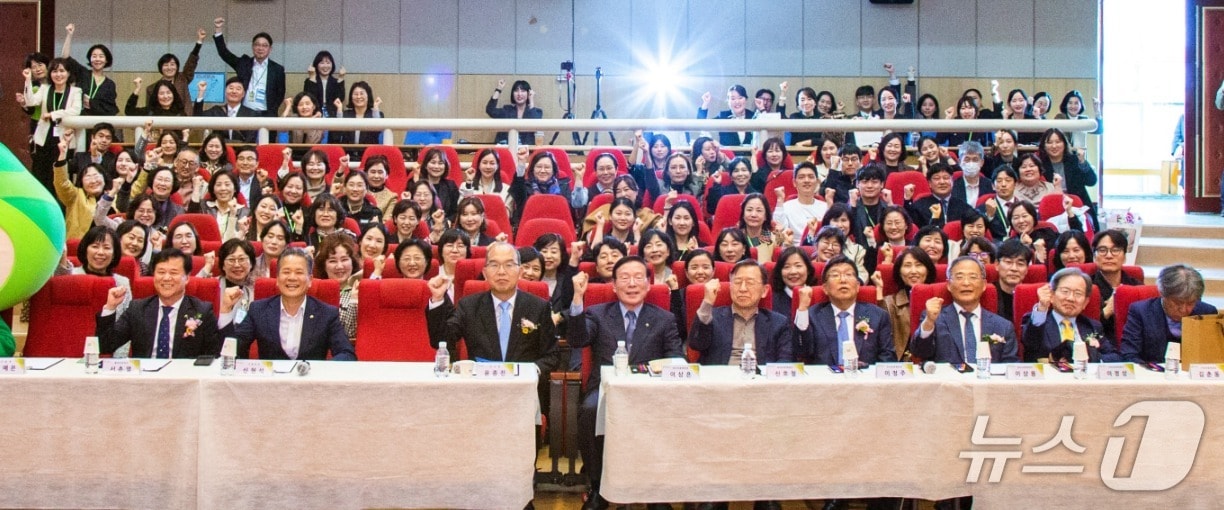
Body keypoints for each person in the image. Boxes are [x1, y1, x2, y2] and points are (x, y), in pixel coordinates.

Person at [568, 256, 684, 509]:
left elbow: (676, 358)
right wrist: (578, 299)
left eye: (638, 277)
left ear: (648, 283)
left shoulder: (664, 318)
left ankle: (656, 491)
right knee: (588, 410)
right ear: (613, 285)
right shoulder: (597, 314)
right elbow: (578, 339)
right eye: (624, 278)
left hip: (650, 393)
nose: (631, 284)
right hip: (605, 391)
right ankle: (597, 486)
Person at [426, 241, 560, 384]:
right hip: (481, 388)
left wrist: (533, 372)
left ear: (520, 272)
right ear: (485, 273)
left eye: (509, 265)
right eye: (494, 265)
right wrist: (438, 298)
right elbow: (441, 341)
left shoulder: (539, 307)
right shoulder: (469, 305)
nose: (501, 272)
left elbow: (552, 355)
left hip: (525, 389)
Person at [219, 247, 356, 361]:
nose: (292, 278)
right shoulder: (259, 310)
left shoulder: (327, 313)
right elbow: (232, 349)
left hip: (310, 387)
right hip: (269, 387)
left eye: (299, 272)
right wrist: (225, 310)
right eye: (286, 272)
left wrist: (319, 370)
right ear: (277, 279)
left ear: (310, 280)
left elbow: (347, 354)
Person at [95, 250, 221, 358]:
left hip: (184, 381)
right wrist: (110, 308)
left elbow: (212, 356)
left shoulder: (202, 311)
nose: (166, 278)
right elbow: (105, 346)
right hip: (144, 381)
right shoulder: (137, 309)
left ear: (187, 278)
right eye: (161, 272)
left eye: (173, 273)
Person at [910, 256, 1020, 365]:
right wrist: (929, 322)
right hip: (948, 381)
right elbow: (920, 353)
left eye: (973, 277)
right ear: (949, 285)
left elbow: (1011, 368)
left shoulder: (1003, 326)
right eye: (959, 277)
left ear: (984, 285)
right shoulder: (934, 319)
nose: (966, 283)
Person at [794, 255, 895, 366]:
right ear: (825, 288)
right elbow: (801, 351)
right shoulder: (812, 316)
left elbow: (888, 357)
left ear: (857, 286)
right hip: (824, 381)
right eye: (835, 275)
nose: (843, 280)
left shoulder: (878, 316)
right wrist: (803, 309)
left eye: (848, 274)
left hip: (865, 380)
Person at [690, 259, 796, 365]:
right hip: (721, 379)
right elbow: (696, 344)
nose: (743, 288)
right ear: (730, 286)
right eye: (737, 282)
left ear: (764, 291)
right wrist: (707, 302)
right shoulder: (711, 317)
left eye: (750, 283)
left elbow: (786, 361)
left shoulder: (778, 323)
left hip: (761, 379)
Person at [1121, 264, 1218, 364]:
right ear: (1163, 294)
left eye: (1190, 303)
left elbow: (1214, 355)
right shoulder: (1141, 312)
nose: (1184, 309)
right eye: (1177, 303)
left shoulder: (1207, 313)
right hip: (1153, 374)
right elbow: (1129, 355)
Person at [1021, 267, 1118, 363]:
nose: (1071, 298)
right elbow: (1031, 344)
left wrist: (1089, 356)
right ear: (1052, 295)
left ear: (1085, 302)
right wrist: (1042, 307)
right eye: (1065, 291)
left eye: (1078, 293)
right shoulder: (1037, 322)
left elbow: (1114, 358)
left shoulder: (1092, 326)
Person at [21, 57, 82, 195]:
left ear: (68, 73)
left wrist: (53, 115)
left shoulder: (75, 91)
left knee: (60, 178)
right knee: (42, 177)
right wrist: (27, 80)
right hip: (44, 140)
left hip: (64, 141)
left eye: (62, 71)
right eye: (55, 71)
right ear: (50, 74)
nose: (58, 75)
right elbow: (30, 102)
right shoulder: (44, 88)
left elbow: (75, 111)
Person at [871, 247, 936, 360]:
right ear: (899, 272)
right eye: (907, 266)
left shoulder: (939, 301)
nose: (913, 271)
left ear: (928, 269)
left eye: (919, 265)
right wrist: (879, 290)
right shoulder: (890, 303)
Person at [213, 17, 285, 117]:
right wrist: (218, 30)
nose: (260, 48)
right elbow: (224, 53)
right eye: (257, 45)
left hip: (267, 115)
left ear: (270, 49)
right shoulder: (244, 63)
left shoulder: (277, 69)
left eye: (264, 46)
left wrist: (272, 111)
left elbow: (280, 94)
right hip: (244, 113)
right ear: (252, 47)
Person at [60, 24, 118, 130]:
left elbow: (110, 109)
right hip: (79, 122)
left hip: (99, 125)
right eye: (94, 56)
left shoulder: (110, 84)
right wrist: (69, 35)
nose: (97, 59)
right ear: (89, 59)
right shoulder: (83, 73)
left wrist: (91, 103)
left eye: (101, 56)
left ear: (106, 60)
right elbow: (65, 58)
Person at [1038, 128, 1099, 229]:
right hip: (1051, 208)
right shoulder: (1040, 164)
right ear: (1044, 145)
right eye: (1049, 142)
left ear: (1064, 143)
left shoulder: (1074, 160)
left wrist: (1082, 162)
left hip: (1077, 206)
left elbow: (1091, 181)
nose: (1054, 146)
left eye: (1058, 142)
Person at [53, 133, 108, 240]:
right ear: (81, 182)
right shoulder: (76, 195)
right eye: (88, 177)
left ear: (105, 179)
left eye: (96, 176)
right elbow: (62, 183)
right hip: (78, 247)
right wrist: (63, 154)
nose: (93, 181)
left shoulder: (113, 196)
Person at [313, 233, 361, 344]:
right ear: (324, 265)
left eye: (344, 259)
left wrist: (354, 301)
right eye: (332, 261)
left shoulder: (360, 290)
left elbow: (349, 335)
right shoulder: (316, 290)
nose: (339, 266)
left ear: (352, 262)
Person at [152, 28, 207, 116]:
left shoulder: (183, 79)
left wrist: (199, 41)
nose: (169, 68)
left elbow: (191, 63)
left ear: (177, 67)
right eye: (166, 65)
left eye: (172, 64)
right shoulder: (152, 88)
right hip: (163, 125)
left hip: (185, 124)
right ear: (160, 68)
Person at [774, 162, 829, 244]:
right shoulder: (786, 207)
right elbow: (779, 234)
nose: (806, 180)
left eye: (810, 177)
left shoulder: (825, 207)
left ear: (817, 182)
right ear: (794, 183)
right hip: (793, 251)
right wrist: (780, 201)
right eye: (801, 177)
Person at [905, 162, 972, 229]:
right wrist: (907, 200)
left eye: (946, 178)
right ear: (929, 183)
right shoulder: (919, 206)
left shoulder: (963, 206)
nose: (942, 182)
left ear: (952, 181)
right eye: (937, 178)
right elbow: (910, 227)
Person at [188, 170, 250, 241]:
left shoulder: (245, 212)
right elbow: (191, 218)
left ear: (235, 188)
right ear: (213, 189)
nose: (223, 188)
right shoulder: (203, 206)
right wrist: (196, 188)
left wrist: (233, 214)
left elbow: (233, 241)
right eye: (218, 185)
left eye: (227, 184)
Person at [193, 77, 259, 143]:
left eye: (238, 89)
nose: (234, 91)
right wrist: (201, 92)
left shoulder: (251, 114)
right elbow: (197, 118)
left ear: (243, 94)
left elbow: (251, 138)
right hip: (220, 150)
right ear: (225, 92)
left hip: (242, 151)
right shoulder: (216, 111)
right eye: (231, 88)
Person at [329, 81, 384, 152]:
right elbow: (336, 136)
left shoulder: (376, 114)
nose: (358, 97)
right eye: (355, 94)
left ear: (368, 96)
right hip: (348, 155)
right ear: (351, 97)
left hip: (369, 156)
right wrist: (339, 111)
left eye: (362, 93)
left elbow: (377, 131)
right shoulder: (345, 114)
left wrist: (376, 109)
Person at [486, 79, 542, 145]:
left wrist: (531, 100)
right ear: (513, 94)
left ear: (528, 93)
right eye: (516, 90)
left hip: (526, 150)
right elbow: (490, 110)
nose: (519, 94)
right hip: (506, 148)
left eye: (523, 91)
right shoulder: (507, 110)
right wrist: (499, 89)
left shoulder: (537, 112)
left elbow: (535, 124)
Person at [771, 246, 819, 317]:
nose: (793, 272)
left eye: (798, 266)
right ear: (780, 271)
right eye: (786, 267)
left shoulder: (819, 297)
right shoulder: (772, 301)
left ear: (808, 269)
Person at [994, 239, 1032, 322]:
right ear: (997, 265)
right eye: (1008, 262)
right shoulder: (988, 293)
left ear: (1027, 269)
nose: (1014, 269)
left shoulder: (1032, 295)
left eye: (1020, 264)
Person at [980, 166, 1020, 239]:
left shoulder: (1024, 207)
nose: (1003, 184)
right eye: (999, 181)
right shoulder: (983, 208)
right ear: (993, 186)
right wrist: (989, 216)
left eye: (1008, 180)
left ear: (1015, 184)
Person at [303, 50, 346, 117]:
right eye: (322, 63)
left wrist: (341, 78)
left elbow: (340, 99)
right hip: (315, 115)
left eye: (328, 63)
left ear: (332, 64)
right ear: (316, 65)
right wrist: (312, 78)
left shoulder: (335, 81)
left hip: (332, 115)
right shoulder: (310, 81)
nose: (325, 66)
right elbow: (310, 99)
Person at [952, 141, 994, 207]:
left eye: (975, 159)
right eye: (967, 159)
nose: (971, 163)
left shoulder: (990, 185)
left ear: (982, 162)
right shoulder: (952, 185)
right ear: (959, 162)